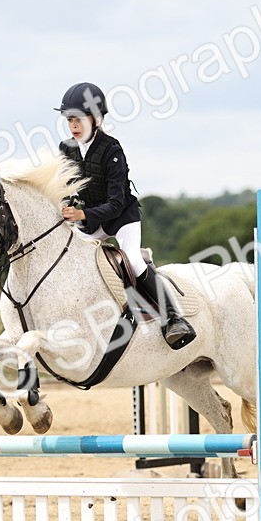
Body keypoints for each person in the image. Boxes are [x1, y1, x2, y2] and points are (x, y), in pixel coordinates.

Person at [55, 81, 196, 350]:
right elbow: (64, 186)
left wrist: (82, 213)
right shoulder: (66, 149)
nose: (73, 124)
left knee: (131, 258)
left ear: (95, 119)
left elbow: (116, 204)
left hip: (121, 219)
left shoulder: (112, 150)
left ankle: (173, 318)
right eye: (69, 119)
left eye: (78, 119)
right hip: (88, 222)